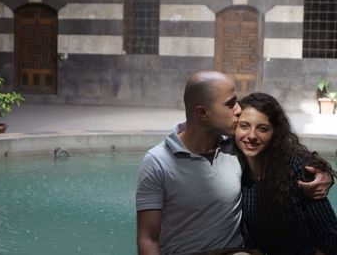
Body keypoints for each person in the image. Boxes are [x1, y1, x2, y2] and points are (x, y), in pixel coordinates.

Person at [136, 70, 333, 255]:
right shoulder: (157, 162)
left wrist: (324, 173)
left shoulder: (235, 147)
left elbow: (284, 150)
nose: (239, 109)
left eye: (236, 101)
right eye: (231, 104)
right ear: (202, 113)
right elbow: (148, 239)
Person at [235, 92, 337, 255]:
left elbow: (330, 239)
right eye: (244, 126)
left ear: (275, 133)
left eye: (262, 128)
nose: (252, 135)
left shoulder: (296, 170)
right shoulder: (236, 168)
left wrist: (327, 175)